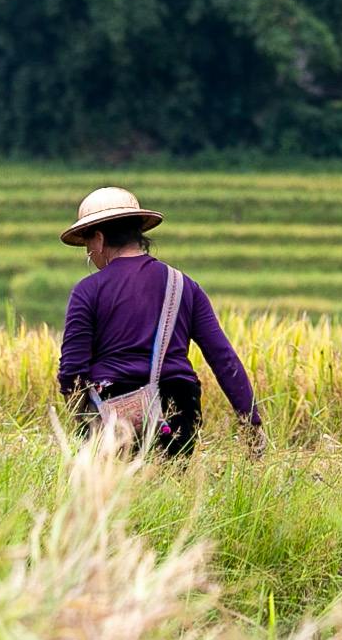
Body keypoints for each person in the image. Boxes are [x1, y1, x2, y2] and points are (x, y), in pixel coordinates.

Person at [57, 185, 260, 457]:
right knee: (172, 494)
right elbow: (223, 359)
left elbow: (72, 372)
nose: (89, 254)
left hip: (112, 411)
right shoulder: (184, 286)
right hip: (177, 408)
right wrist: (251, 422)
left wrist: (85, 424)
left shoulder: (88, 290)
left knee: (115, 497)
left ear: (100, 238)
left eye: (88, 244)